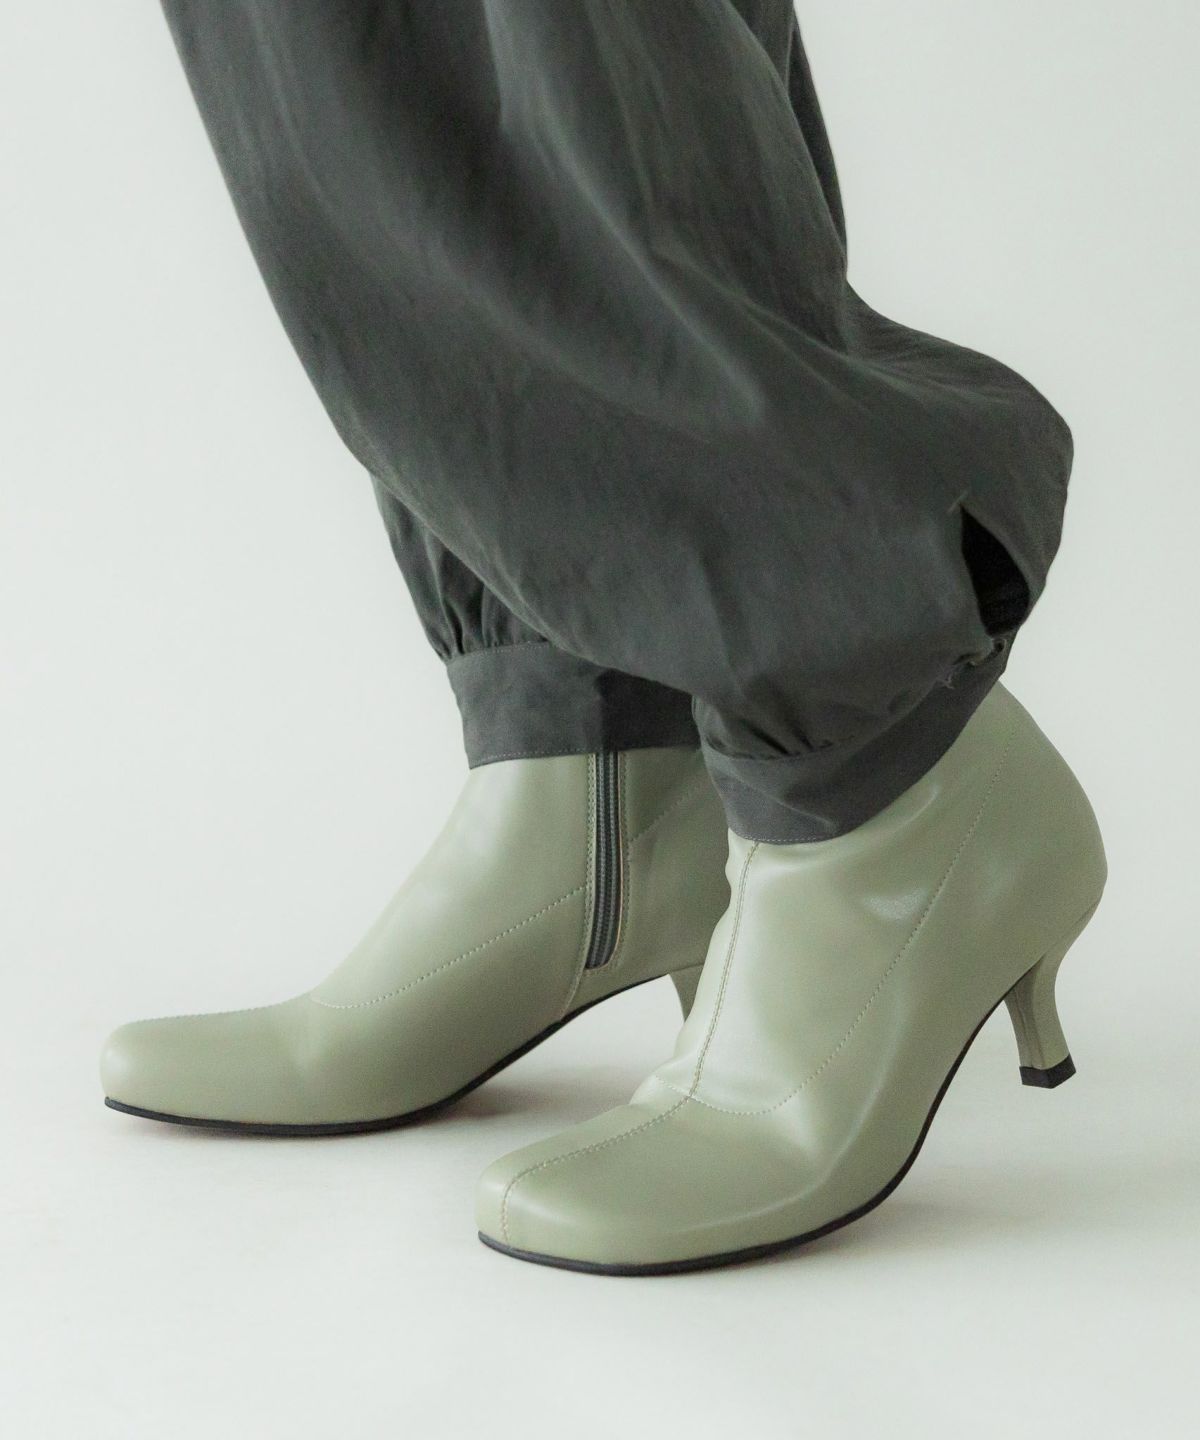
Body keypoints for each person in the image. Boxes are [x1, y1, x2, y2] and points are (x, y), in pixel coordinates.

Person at [100, 1, 1105, 1275]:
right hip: (577, 707)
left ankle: (898, 791)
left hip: (860, 719)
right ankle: (602, 771)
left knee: (514, 43)